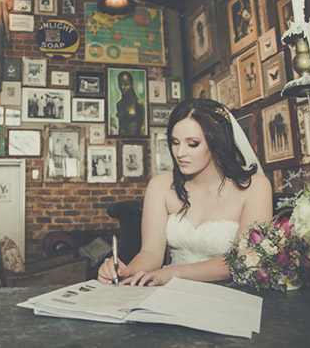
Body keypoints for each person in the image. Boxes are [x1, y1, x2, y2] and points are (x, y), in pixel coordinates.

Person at [98, 98, 272, 286]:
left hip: (229, 294)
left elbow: (242, 259)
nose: (180, 152)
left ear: (217, 142)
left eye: (192, 144)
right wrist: (126, 270)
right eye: (175, 142)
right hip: (171, 291)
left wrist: (174, 273)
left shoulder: (256, 188)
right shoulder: (160, 186)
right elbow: (151, 253)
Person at [115, 71, 146, 136]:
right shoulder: (119, 104)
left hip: (135, 141)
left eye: (126, 84)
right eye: (120, 84)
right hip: (121, 140)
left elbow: (143, 127)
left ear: (132, 84)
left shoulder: (138, 103)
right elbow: (120, 126)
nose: (122, 87)